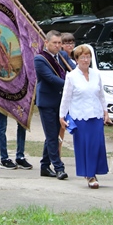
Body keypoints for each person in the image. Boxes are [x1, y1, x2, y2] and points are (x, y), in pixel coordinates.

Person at [59, 45, 109, 188]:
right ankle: (89, 174)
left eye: (88, 57)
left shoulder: (96, 74)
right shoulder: (72, 76)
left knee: (96, 145)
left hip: (96, 115)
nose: (86, 60)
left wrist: (105, 111)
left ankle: (94, 171)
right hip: (80, 117)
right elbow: (66, 98)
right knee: (85, 146)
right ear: (77, 60)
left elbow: (101, 94)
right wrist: (62, 116)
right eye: (82, 57)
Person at [35, 30, 68, 180]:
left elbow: (73, 70)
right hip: (47, 102)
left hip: (61, 101)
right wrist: (70, 85)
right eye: (54, 43)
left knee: (53, 135)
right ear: (46, 42)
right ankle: (59, 167)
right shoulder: (40, 58)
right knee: (52, 136)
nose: (57, 46)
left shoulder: (63, 56)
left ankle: (44, 166)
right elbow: (50, 78)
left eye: (60, 43)